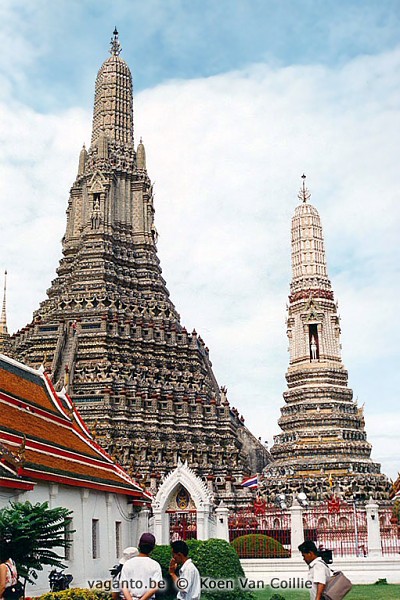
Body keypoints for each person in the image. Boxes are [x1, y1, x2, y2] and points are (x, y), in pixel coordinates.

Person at [121, 533, 162, 600]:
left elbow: (124, 586)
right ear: (153, 548)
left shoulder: (128, 563)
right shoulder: (155, 565)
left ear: (139, 545)